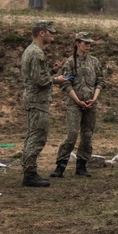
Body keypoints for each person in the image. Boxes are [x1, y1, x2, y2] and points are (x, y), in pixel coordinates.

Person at [50, 32, 106, 178]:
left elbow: (100, 81)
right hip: (74, 103)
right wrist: (77, 100)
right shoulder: (70, 62)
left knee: (87, 136)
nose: (88, 46)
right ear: (77, 43)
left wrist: (94, 99)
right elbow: (66, 84)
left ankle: (82, 165)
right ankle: (60, 165)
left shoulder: (94, 62)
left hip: (91, 103)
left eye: (89, 43)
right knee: (72, 135)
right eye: (85, 43)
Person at [20, 20, 67, 187]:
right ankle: (30, 173)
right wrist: (57, 79)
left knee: (33, 135)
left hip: (33, 98)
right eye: (50, 32)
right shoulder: (37, 53)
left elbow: (37, 75)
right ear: (41, 33)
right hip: (38, 100)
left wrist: (52, 71)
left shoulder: (31, 50)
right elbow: (40, 80)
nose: (52, 35)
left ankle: (29, 170)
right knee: (37, 136)